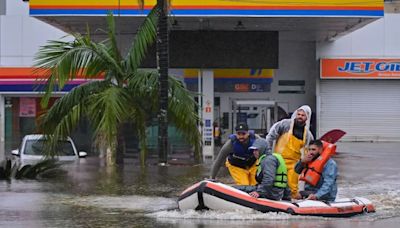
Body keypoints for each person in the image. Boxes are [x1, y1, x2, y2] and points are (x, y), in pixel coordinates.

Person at [265, 105, 314, 198]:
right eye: (298, 114)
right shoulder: (284, 124)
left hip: (294, 165)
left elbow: (309, 151)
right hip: (278, 160)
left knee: (293, 189)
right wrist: (268, 153)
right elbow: (270, 137)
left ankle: (292, 202)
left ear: (307, 118)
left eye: (303, 115)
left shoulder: (308, 135)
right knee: (276, 183)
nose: (300, 116)